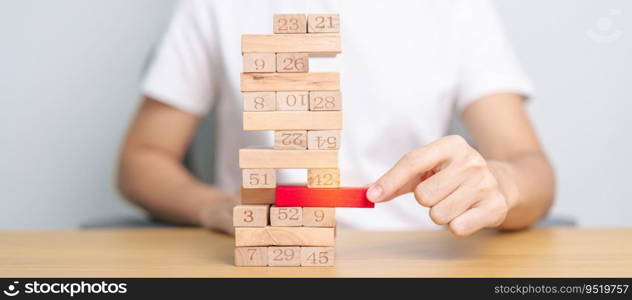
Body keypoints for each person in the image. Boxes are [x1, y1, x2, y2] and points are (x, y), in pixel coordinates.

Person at [117, 0, 555, 236]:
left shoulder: (456, 7)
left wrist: (502, 184)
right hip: (268, 259)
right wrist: (215, 208)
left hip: (418, 253)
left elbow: (527, 164)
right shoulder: (216, 5)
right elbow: (141, 161)